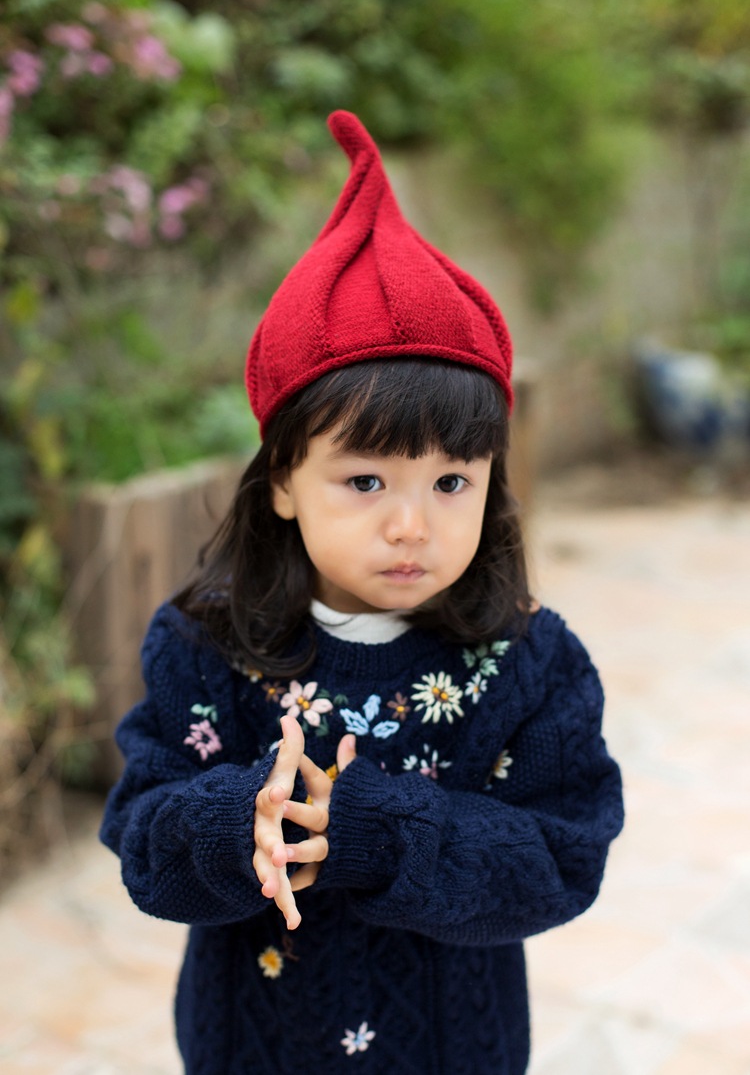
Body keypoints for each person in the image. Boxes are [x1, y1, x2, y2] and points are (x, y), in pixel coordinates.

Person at [100, 110, 624, 1075]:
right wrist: (232, 823)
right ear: (285, 481)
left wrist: (381, 831)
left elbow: (564, 859)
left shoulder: (529, 665)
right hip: (253, 1046)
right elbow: (142, 840)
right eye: (367, 479)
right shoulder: (203, 647)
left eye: (451, 482)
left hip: (454, 1048)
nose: (411, 524)